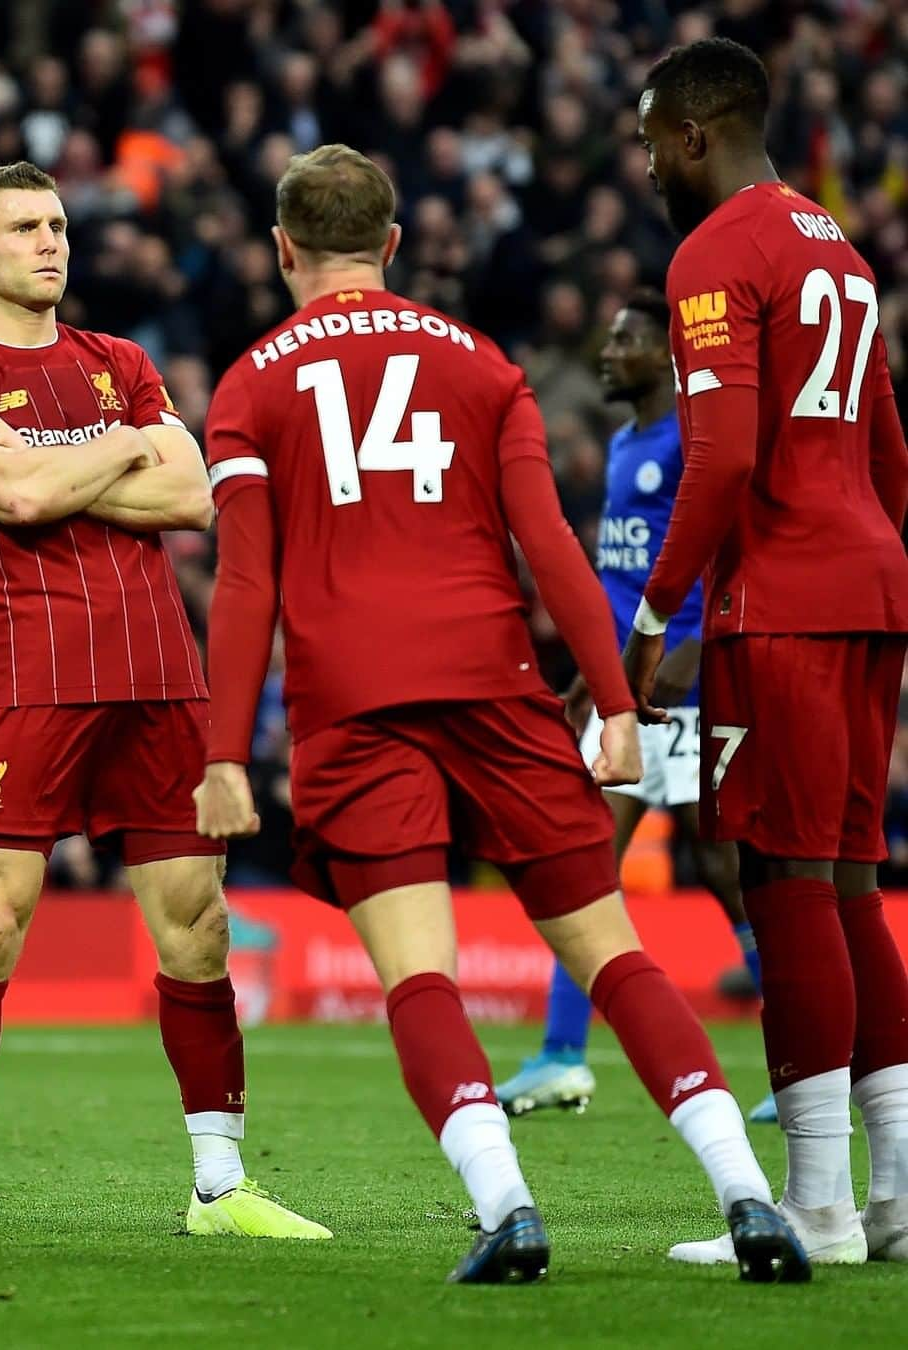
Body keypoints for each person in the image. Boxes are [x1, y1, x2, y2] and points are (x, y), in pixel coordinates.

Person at [194, 143, 808, 1284]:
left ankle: (508, 1208)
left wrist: (226, 751)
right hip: (498, 691)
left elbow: (243, 587)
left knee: (419, 977)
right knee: (613, 954)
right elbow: (553, 550)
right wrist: (616, 702)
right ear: (391, 244)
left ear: (282, 250)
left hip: (357, 710)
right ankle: (749, 1199)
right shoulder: (479, 363)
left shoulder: (251, 385)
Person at [0, 161, 329, 1244]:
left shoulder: (119, 362)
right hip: (32, 675)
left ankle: (223, 1188)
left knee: (199, 925)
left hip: (160, 676)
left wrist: (102, 453)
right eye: (27, 227)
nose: (53, 244)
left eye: (59, 226)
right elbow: (18, 496)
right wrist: (124, 448)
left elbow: (192, 496)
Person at [624, 38, 908, 1266]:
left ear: (696, 132)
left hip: (782, 602)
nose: (642, 169)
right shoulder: (835, 246)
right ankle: (893, 1198)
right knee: (849, 884)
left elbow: (726, 457)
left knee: (782, 885)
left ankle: (822, 1209)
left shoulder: (717, 250)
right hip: (869, 587)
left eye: (648, 145)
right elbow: (891, 446)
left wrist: (656, 611)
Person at [495, 290, 775, 1124]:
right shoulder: (624, 443)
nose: (610, 351)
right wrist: (595, 678)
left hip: (685, 689)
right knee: (586, 866)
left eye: (628, 339)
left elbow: (733, 548)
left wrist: (695, 651)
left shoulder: (696, 438)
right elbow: (622, 584)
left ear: (668, 353)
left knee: (728, 875)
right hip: (628, 697)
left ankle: (798, 1062)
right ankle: (560, 1055)